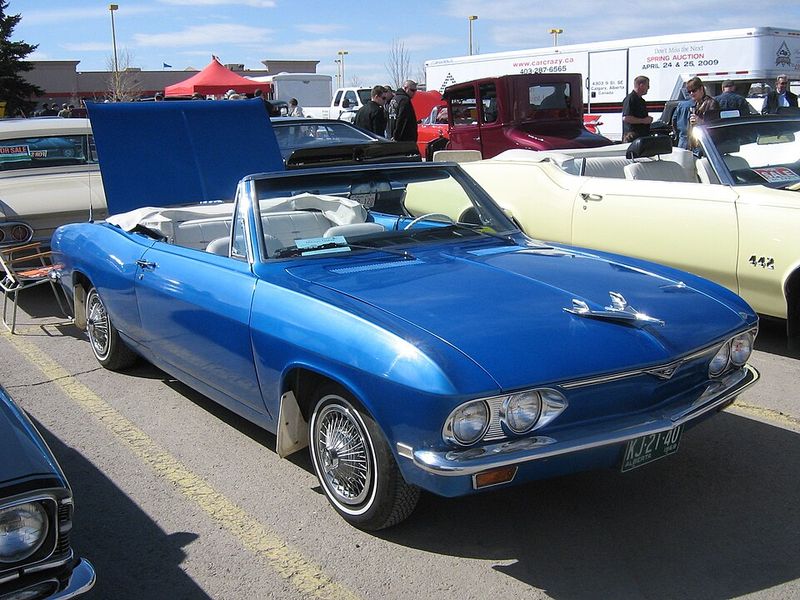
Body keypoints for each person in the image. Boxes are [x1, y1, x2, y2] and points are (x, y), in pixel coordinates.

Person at [622, 75, 652, 140]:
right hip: (631, 136)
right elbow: (626, 118)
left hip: (641, 136)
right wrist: (644, 120)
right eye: (647, 85)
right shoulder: (630, 98)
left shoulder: (641, 100)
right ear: (641, 85)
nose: (648, 88)